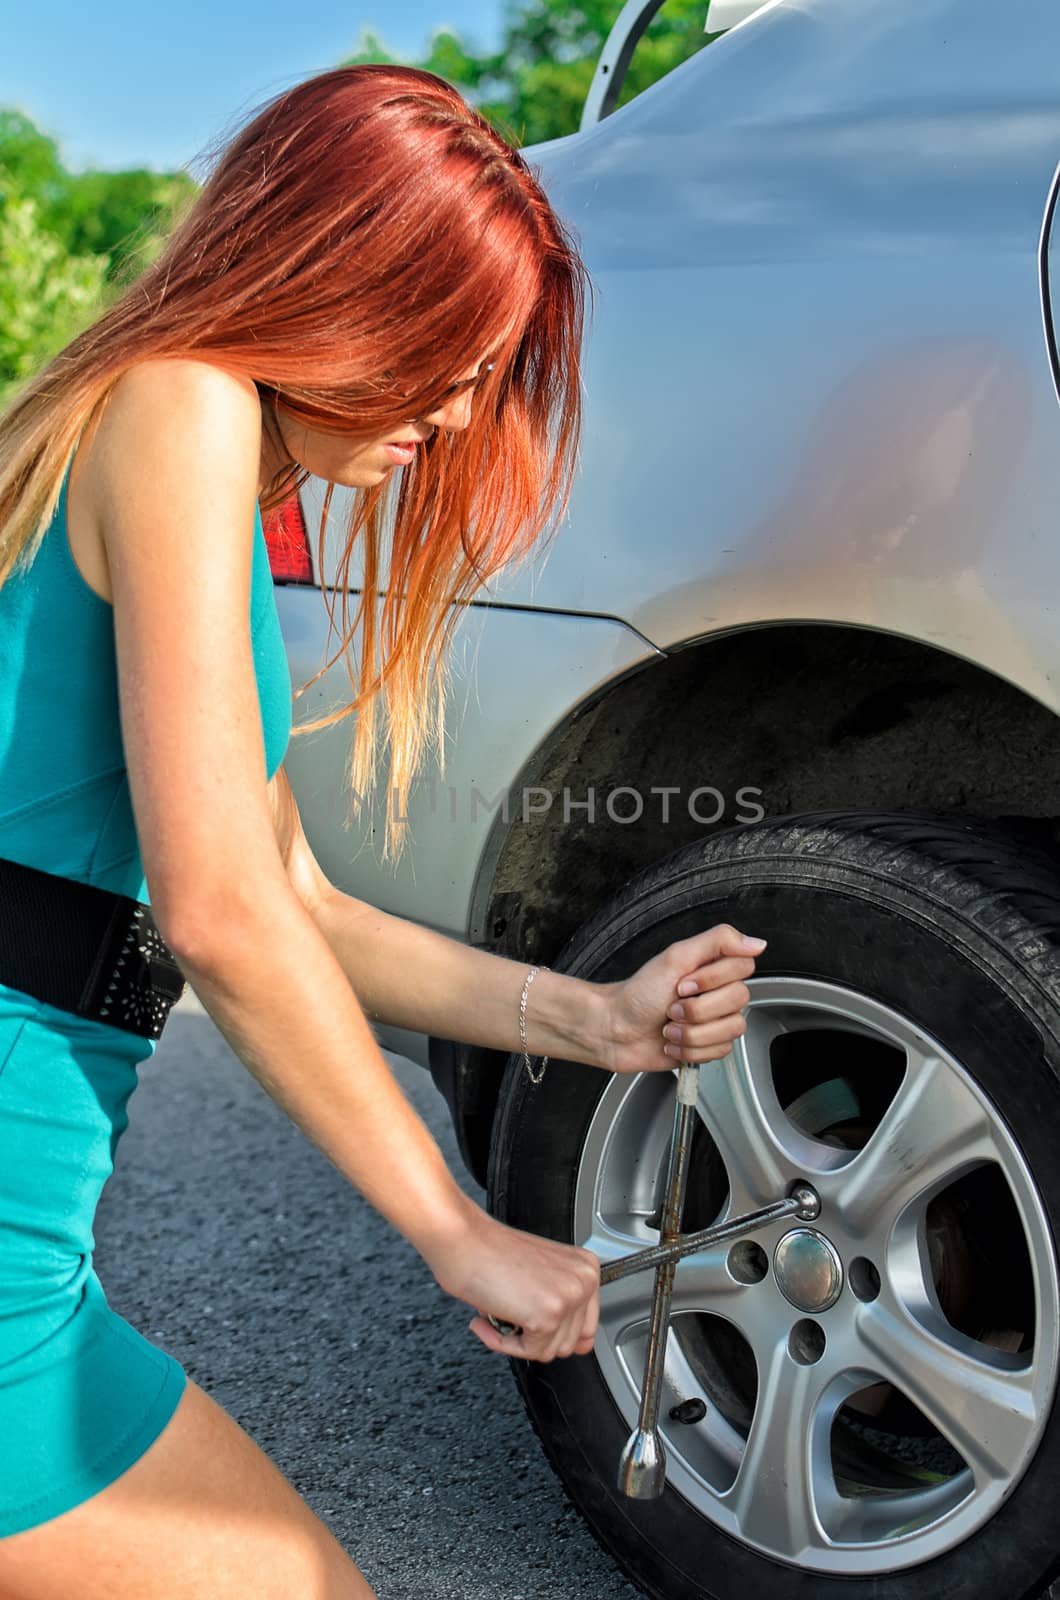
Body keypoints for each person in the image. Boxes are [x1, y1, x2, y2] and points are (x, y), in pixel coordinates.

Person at [0, 64, 766, 1600]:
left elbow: (296, 898)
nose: (464, 411)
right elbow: (217, 917)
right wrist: (454, 1229)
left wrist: (591, 1017)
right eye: (447, 355)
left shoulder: (171, 434)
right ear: (328, 275)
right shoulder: (181, 404)